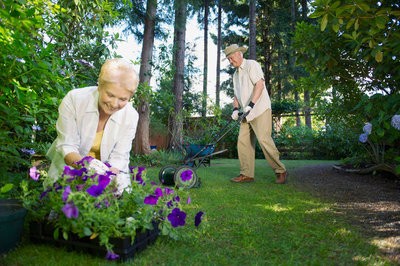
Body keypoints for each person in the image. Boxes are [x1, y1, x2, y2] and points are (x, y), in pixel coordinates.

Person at [46, 58, 140, 193]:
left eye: (123, 99)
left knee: (114, 207)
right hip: (70, 169)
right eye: (110, 95)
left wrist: (109, 179)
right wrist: (87, 166)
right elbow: (67, 146)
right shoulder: (75, 99)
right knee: (64, 207)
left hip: (108, 174)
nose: (114, 104)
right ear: (100, 85)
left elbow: (119, 157)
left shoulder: (131, 116)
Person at [224, 44, 287, 184]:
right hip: (246, 114)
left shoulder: (252, 65)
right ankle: (247, 174)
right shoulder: (235, 75)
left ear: (239, 54)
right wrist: (235, 109)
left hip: (260, 109)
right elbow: (236, 96)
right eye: (228, 59)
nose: (230, 61)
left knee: (264, 140)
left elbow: (260, 85)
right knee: (243, 142)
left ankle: (280, 170)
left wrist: (250, 105)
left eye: (231, 58)